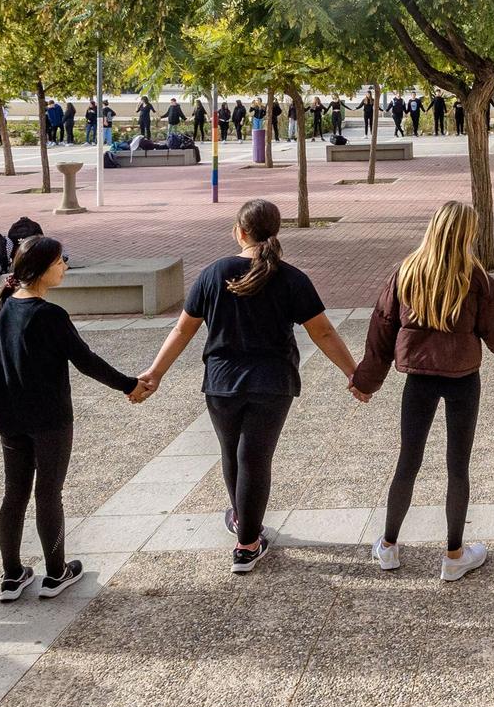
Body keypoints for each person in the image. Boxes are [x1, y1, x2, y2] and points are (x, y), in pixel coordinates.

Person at [133, 200, 356, 573]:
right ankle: (247, 543)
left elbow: (183, 329)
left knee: (232, 452)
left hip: (221, 383)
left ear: (240, 231)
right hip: (272, 383)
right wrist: (353, 372)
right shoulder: (291, 277)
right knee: (255, 458)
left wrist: (155, 373)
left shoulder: (214, 273)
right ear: (275, 231)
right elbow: (323, 331)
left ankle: (242, 524)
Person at [351, 201, 494, 581]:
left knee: (408, 461)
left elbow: (381, 333)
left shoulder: (406, 273)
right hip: (463, 379)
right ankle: (454, 555)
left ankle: (388, 546)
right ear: (468, 234)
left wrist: (366, 382)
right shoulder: (479, 281)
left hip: (418, 379)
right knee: (458, 466)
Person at [0, 237, 141, 599]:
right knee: (48, 494)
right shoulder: (50, 315)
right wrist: (129, 385)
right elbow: (86, 362)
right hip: (51, 420)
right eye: (60, 261)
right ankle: (56, 573)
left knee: (14, 495)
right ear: (41, 270)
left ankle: (11, 576)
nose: (65, 266)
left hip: (10, 419)